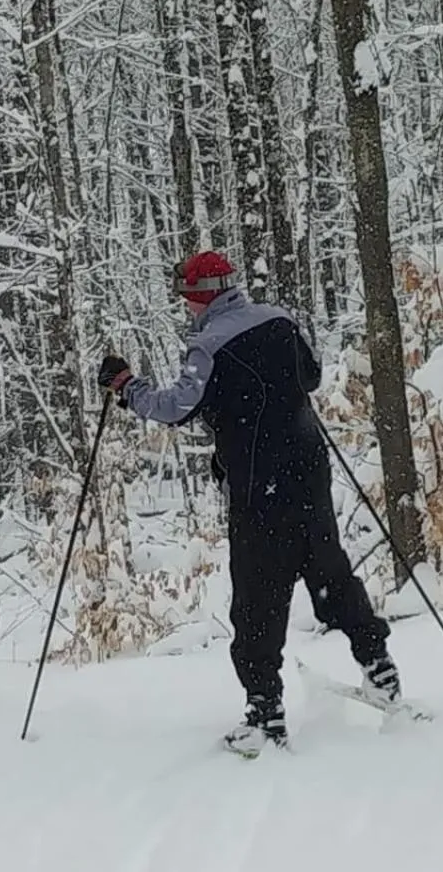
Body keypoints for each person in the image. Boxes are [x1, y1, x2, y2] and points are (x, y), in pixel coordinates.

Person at [97, 250, 401, 754]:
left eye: (186, 297)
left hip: (259, 488)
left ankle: (265, 713)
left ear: (199, 296)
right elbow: (310, 376)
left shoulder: (209, 347)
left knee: (259, 596)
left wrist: (127, 386)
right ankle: (379, 666)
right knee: (328, 569)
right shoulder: (280, 320)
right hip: (309, 472)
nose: (186, 308)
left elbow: (175, 408)